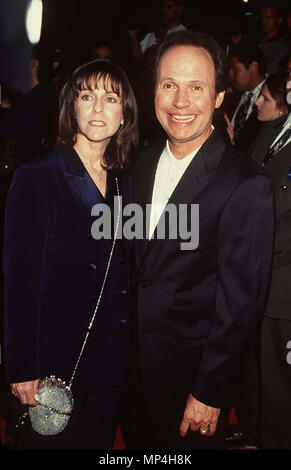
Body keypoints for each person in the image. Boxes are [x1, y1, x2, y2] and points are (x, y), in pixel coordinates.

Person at [121, 30, 275, 450]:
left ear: (220, 96)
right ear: (153, 91)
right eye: (168, 85)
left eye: (196, 87)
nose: (180, 102)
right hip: (131, 374)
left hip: (191, 387)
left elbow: (241, 305)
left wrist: (210, 391)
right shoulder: (140, 164)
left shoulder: (245, 184)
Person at [3, 59, 138, 449]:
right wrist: (24, 367)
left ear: (124, 113)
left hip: (110, 363)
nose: (98, 108)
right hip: (54, 364)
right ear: (71, 106)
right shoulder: (37, 177)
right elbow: (20, 279)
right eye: (87, 96)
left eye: (110, 98)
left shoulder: (124, 182)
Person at [235, 67, 291, 450]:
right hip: (254, 274)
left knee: (276, 377)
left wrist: (256, 252)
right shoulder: (275, 130)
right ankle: (255, 431)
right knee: (252, 366)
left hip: (281, 278)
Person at [224, 41, 266, 151]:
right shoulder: (232, 94)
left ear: (253, 67)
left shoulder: (272, 97)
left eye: (235, 70)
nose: (230, 75)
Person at [257, 1, 288, 74]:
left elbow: (272, 70)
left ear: (279, 20)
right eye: (262, 18)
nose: (264, 21)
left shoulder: (281, 46)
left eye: (268, 18)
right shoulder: (256, 39)